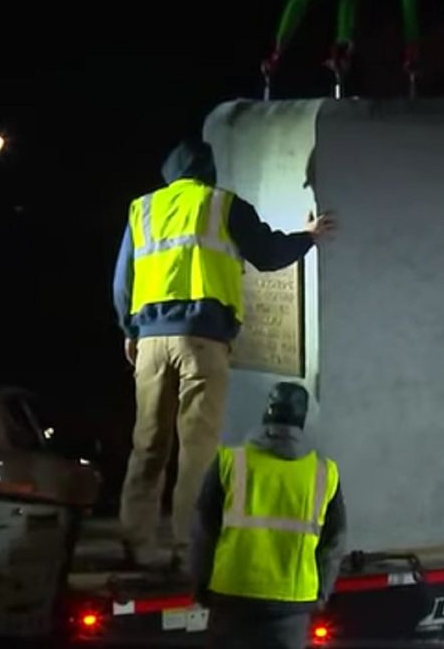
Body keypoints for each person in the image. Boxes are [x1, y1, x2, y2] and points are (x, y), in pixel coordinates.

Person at [113, 138, 335, 568]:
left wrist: (129, 329)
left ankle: (135, 540)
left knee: (147, 444)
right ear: (209, 171)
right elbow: (268, 254)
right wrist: (308, 237)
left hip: (150, 342)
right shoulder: (222, 205)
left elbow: (123, 281)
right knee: (197, 448)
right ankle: (186, 546)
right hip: (202, 340)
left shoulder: (142, 210)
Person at [190, 382, 346, 649]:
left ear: (267, 413)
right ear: (302, 419)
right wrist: (320, 593)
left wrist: (202, 586)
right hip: (292, 600)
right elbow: (335, 541)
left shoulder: (230, 460)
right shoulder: (323, 472)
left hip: (232, 594)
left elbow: (203, 531)